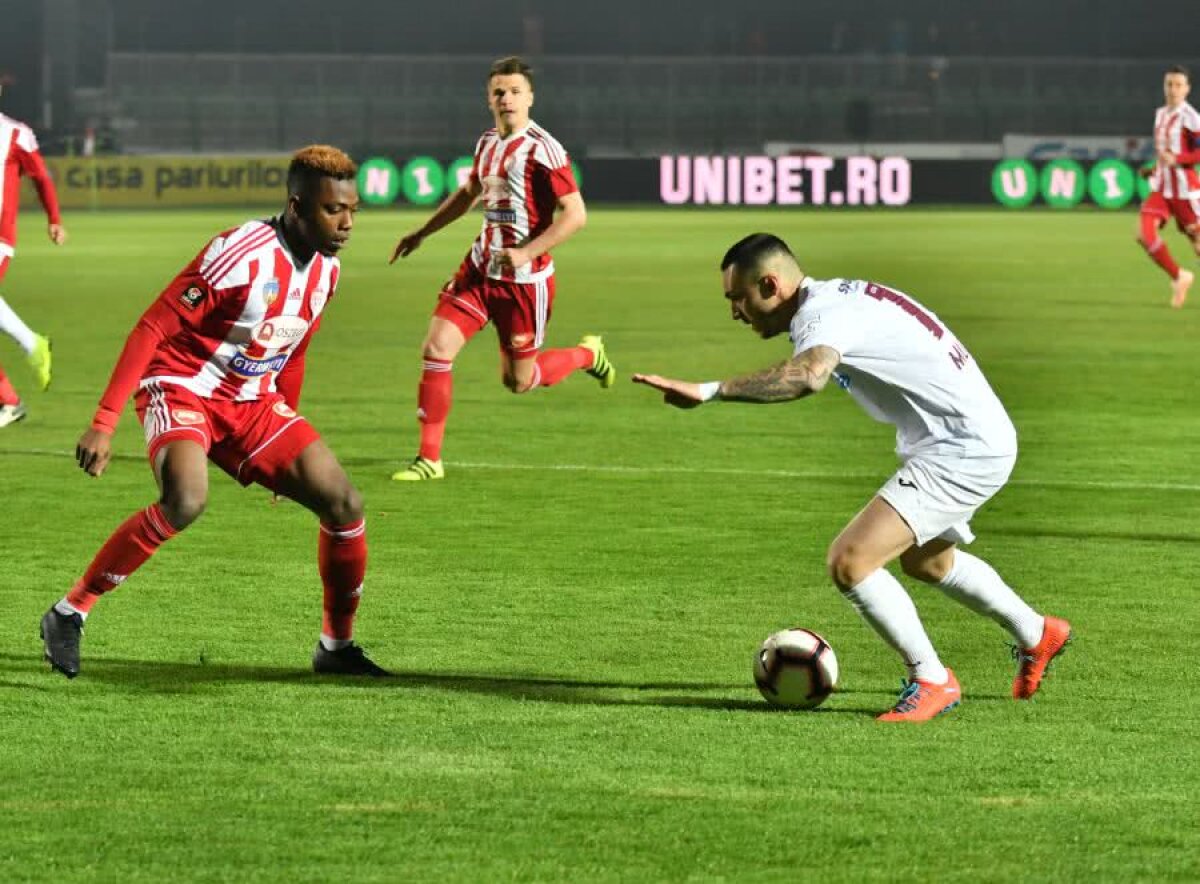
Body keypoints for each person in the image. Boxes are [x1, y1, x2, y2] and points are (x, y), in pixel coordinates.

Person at [633, 233, 1071, 722]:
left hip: (962, 447)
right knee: (928, 563)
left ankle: (931, 679)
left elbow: (808, 376)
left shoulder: (823, 315)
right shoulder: (835, 299)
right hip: (965, 436)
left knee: (851, 561)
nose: (735, 312)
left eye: (738, 298)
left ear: (771, 284)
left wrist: (709, 390)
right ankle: (1037, 632)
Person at [40, 145, 387, 679]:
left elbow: (293, 351)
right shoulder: (241, 252)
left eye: (352, 210)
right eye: (332, 210)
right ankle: (70, 611)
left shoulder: (327, 273)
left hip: (252, 402)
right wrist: (104, 423)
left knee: (344, 505)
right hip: (182, 385)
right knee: (186, 498)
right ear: (296, 207)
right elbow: (152, 327)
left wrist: (284, 442)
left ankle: (335, 647)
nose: (346, 223)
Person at [388, 55, 614, 482]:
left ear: (530, 97)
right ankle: (429, 459)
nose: (506, 98)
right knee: (436, 349)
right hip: (480, 269)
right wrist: (423, 232)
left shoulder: (543, 150)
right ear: (488, 99)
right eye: (498, 92)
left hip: (524, 284)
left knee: (519, 382)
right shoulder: (488, 142)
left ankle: (588, 354)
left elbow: (575, 213)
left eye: (514, 91)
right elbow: (469, 191)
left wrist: (529, 253)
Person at [0, 98, 64, 427]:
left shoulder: (14, 133)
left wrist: (54, 218)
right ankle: (10, 396)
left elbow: (41, 176)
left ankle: (10, 397)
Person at [1136, 64, 1200, 308]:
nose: (1173, 89)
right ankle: (1179, 276)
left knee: (1198, 246)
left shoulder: (1191, 119)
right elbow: (1165, 153)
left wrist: (1179, 160)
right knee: (1143, 234)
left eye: (1178, 85)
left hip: (1185, 191)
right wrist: (1154, 168)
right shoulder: (1160, 114)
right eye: (1169, 84)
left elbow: (1197, 152)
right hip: (1162, 189)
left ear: (1187, 89)